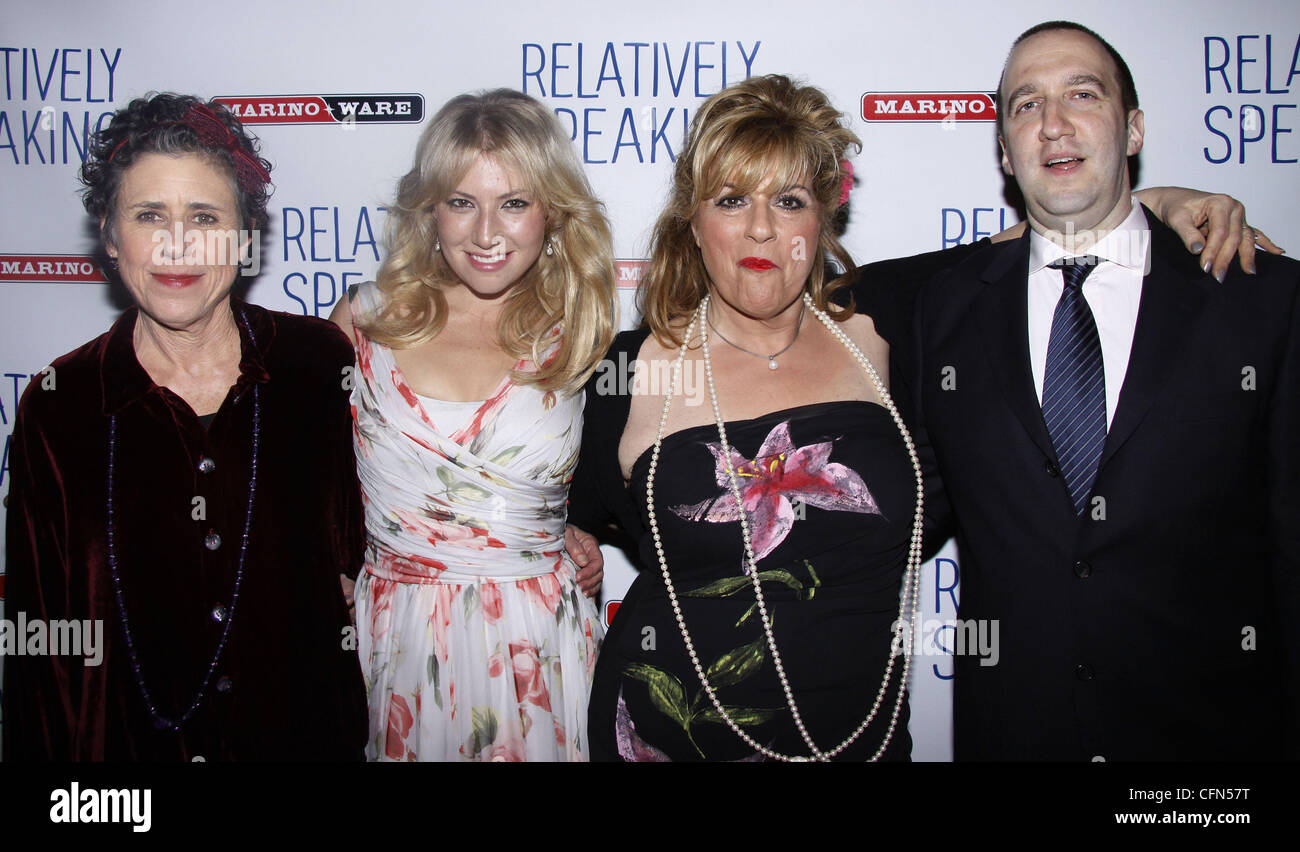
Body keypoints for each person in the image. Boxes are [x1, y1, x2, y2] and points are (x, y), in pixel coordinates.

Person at [903, 21, 1299, 760]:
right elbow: (914, 506)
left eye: (1082, 94)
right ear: (1003, 149)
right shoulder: (945, 309)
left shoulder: (1262, 302)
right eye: (1025, 105)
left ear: (1135, 127)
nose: (1053, 122)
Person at [2, 93, 367, 760]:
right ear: (111, 236)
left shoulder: (320, 368)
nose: (177, 244)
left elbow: (391, 543)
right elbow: (38, 656)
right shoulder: (60, 406)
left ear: (245, 235)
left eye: (204, 216)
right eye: (149, 216)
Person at [571, 74, 924, 761]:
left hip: (863, 739)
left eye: (789, 201)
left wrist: (1146, 207)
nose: (761, 227)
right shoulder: (629, 371)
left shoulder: (888, 336)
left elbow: (1011, 263)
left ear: (821, 220)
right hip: (670, 736)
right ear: (694, 224)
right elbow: (563, 510)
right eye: (732, 200)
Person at [329, 89, 616, 761]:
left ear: (552, 212)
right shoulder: (362, 323)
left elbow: (616, 484)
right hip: (396, 642)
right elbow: (291, 475)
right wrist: (323, 569)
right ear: (430, 209)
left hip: (538, 645)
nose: (486, 232)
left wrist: (580, 534)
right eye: (462, 202)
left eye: (513, 203)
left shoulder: (579, 335)